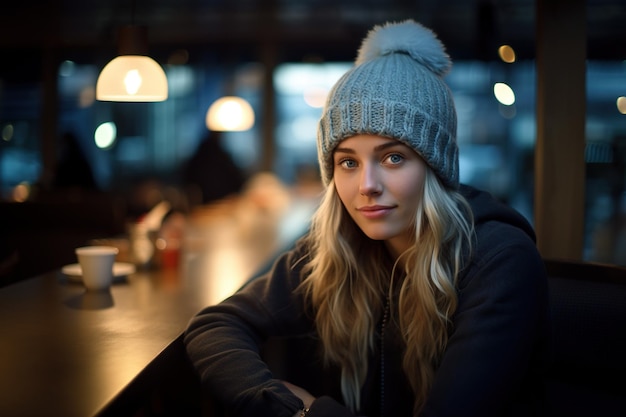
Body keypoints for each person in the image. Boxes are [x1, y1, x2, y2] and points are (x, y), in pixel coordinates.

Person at [184, 19, 549, 417]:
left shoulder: (500, 262)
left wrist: (313, 414)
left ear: (435, 166)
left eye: (393, 157)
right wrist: (286, 407)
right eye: (348, 162)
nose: (366, 185)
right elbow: (213, 326)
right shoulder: (340, 245)